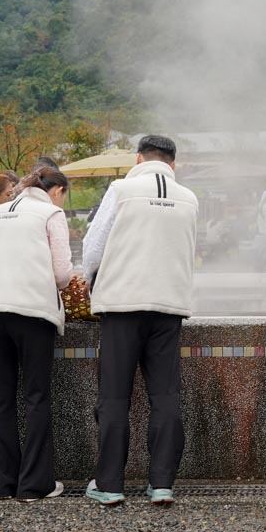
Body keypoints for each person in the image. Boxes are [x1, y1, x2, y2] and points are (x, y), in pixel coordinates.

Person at [79, 135, 198, 506]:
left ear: (137, 159)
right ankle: (162, 483)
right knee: (166, 397)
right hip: (168, 306)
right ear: (173, 164)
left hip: (122, 305)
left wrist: (91, 281)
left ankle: (110, 484)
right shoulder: (190, 198)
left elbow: (93, 248)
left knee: (114, 396)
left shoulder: (121, 189)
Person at [0, 166, 73, 502]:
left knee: (0, 398)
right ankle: (34, 485)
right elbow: (62, 274)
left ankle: (1, 484)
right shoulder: (51, 213)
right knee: (36, 396)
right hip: (31, 311)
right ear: (55, 190)